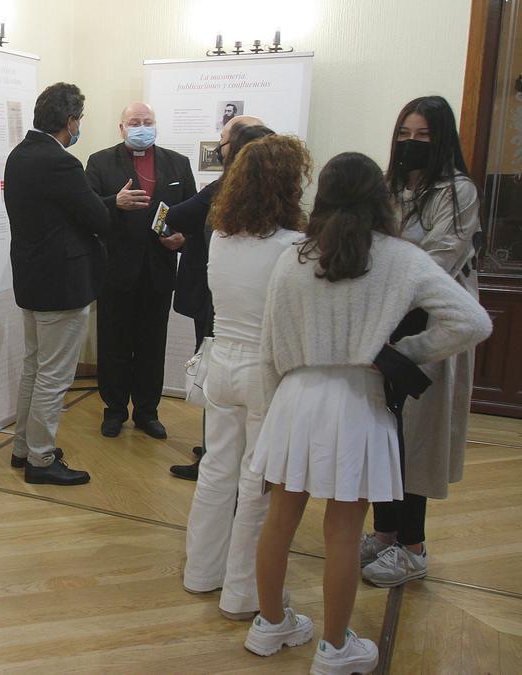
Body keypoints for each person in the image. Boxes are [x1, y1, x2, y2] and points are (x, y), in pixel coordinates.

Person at [244, 152, 491, 674]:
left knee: (280, 519)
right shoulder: (400, 258)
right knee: (341, 531)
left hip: (294, 397)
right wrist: (408, 354)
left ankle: (270, 625)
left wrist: (268, 416)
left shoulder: (294, 257)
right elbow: (472, 322)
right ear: (378, 197)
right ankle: (335, 649)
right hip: (357, 399)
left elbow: (268, 350)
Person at [360, 95, 484, 587]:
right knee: (382, 431)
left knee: (416, 438)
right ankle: (385, 533)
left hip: (428, 324)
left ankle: (413, 547)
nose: (411, 145)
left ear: (442, 140)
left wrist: (389, 265)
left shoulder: (458, 192)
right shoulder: (389, 189)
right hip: (385, 321)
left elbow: (439, 258)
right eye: (404, 135)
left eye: (423, 137)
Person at [182, 132, 306, 621]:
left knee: (216, 470)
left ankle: (200, 573)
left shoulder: (221, 235)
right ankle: (242, 594)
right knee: (256, 482)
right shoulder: (294, 246)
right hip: (264, 371)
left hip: (221, 365)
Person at [4, 82, 109, 485]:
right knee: (54, 376)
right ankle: (42, 460)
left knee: (34, 368)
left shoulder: (19, 156)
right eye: (79, 119)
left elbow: (61, 209)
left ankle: (22, 448)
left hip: (32, 279)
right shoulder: (62, 162)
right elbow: (95, 219)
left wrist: (105, 202)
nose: (79, 126)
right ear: (70, 121)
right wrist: (109, 208)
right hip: (62, 284)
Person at [86, 102, 196, 440]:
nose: (141, 126)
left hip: (159, 270)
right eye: (134, 122)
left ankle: (148, 412)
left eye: (147, 121)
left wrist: (182, 239)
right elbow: (87, 213)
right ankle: (114, 411)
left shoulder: (178, 163)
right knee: (113, 345)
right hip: (115, 270)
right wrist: (113, 204)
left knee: (152, 345)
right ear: (121, 128)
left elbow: (193, 214)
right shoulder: (100, 162)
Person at [166, 115, 267, 481]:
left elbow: (172, 216)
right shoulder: (274, 201)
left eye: (223, 140)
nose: (219, 146)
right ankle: (219, 447)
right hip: (246, 312)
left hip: (217, 306)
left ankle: (214, 453)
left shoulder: (222, 189)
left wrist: (174, 233)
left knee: (214, 380)